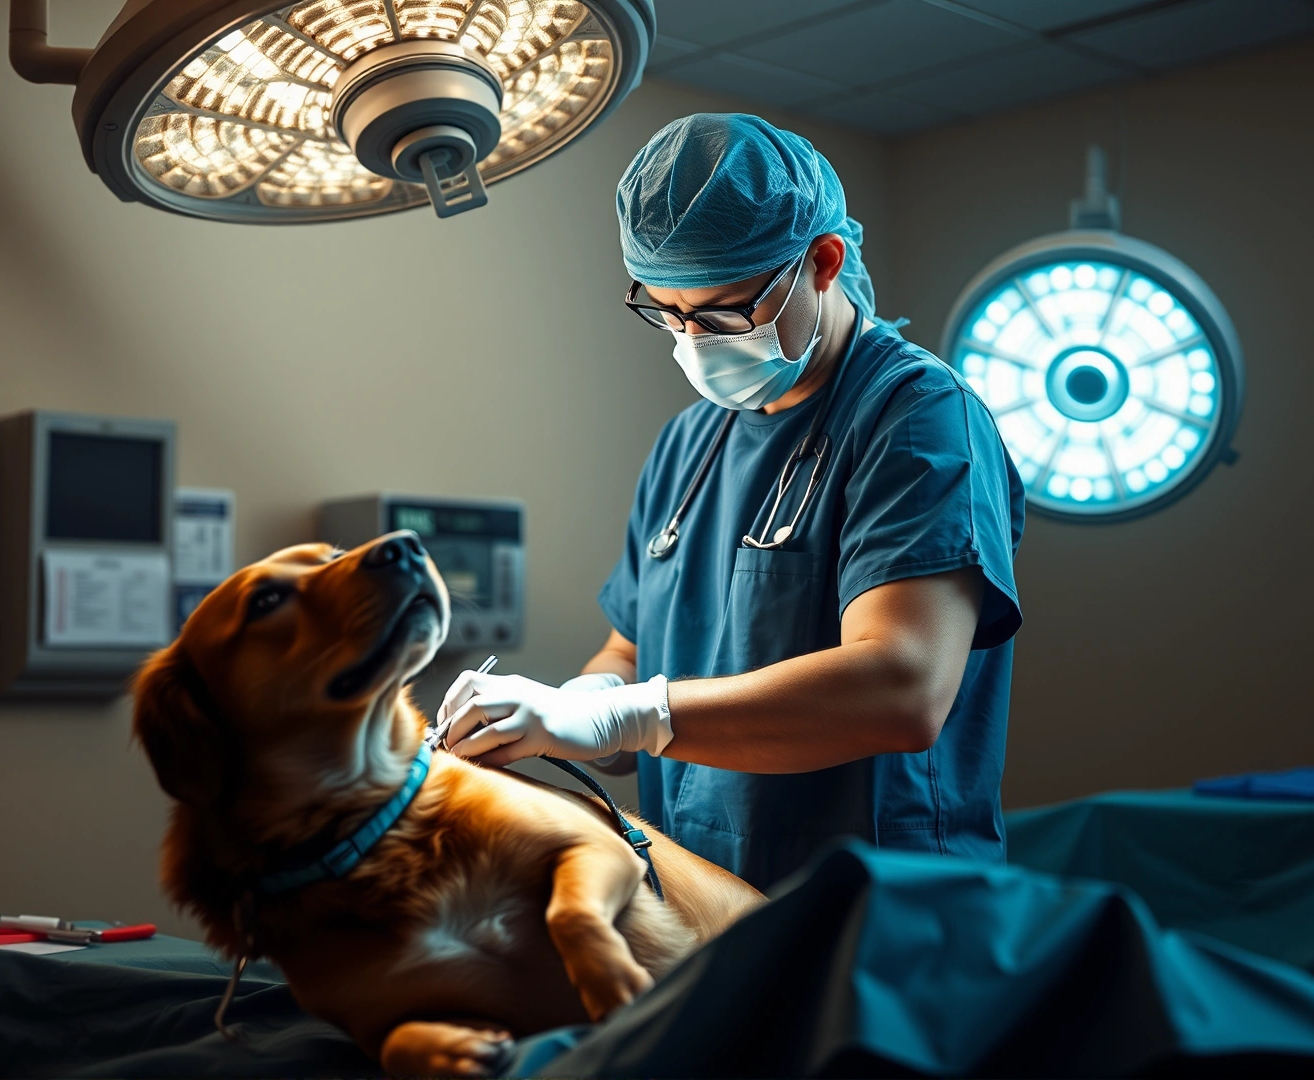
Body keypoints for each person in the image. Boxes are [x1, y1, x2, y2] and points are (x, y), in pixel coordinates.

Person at [437, 113, 1025, 891]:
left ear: (821, 263)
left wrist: (631, 719)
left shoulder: (917, 417)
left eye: (722, 311)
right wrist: (570, 708)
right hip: (696, 893)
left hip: (877, 912)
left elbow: (902, 687)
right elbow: (634, 650)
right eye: (667, 312)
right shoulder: (689, 443)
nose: (693, 339)